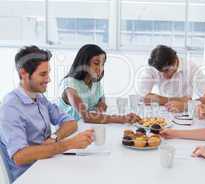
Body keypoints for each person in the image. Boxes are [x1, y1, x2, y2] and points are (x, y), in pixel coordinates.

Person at [0, 46, 94, 182]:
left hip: (49, 163)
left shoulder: (39, 98)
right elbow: (19, 156)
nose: (49, 79)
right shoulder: (11, 108)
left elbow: (71, 123)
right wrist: (68, 144)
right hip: (31, 176)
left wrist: (55, 137)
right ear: (24, 74)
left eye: (48, 73)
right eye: (43, 74)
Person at [58, 44, 140, 124]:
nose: (100, 68)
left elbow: (102, 100)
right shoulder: (69, 84)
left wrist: (102, 104)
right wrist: (123, 118)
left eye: (102, 64)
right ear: (84, 63)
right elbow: (86, 116)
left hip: (88, 129)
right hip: (70, 132)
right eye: (96, 63)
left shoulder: (96, 83)